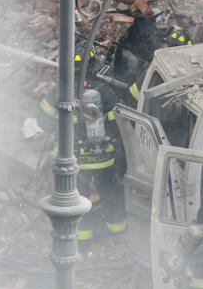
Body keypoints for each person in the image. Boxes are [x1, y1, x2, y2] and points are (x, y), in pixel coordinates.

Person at [37, 45, 132, 242]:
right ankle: (117, 231)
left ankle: (82, 237)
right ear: (92, 63)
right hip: (104, 158)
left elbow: (43, 123)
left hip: (73, 160)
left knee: (78, 198)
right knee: (111, 193)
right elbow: (119, 123)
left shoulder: (59, 92)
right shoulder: (104, 90)